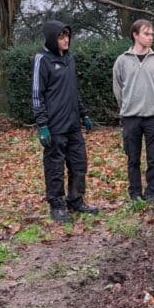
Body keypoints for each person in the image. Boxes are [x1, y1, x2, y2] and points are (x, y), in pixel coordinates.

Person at [31, 20, 99, 223]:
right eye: (61, 37)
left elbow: (73, 90)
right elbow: (36, 94)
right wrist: (42, 124)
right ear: (52, 39)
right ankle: (57, 205)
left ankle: (76, 199)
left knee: (79, 163)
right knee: (55, 167)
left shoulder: (70, 59)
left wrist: (84, 114)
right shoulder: (42, 59)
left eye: (67, 36)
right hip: (54, 125)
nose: (65, 40)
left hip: (73, 124)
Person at [112, 19, 154, 203]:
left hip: (153, 117)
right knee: (133, 158)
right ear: (135, 35)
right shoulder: (122, 60)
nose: (150, 37)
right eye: (146, 34)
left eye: (152, 34)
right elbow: (117, 88)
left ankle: (152, 192)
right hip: (131, 118)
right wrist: (125, 106)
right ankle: (135, 193)